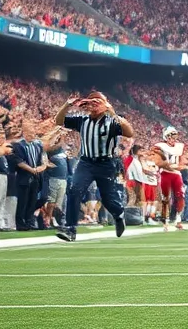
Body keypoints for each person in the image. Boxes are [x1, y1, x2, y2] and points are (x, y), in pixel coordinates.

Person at [53, 92, 131, 242]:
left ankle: (119, 213)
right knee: (74, 190)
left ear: (105, 103)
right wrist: (67, 104)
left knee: (108, 199)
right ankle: (70, 229)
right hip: (86, 162)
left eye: (98, 101)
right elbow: (58, 121)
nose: (94, 104)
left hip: (106, 163)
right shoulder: (82, 120)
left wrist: (111, 110)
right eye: (92, 101)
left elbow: (129, 132)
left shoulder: (112, 121)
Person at [155, 126, 186, 229]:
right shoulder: (160, 147)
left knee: (180, 196)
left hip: (176, 174)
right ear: (166, 137)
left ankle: (178, 219)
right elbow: (158, 162)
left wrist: (179, 166)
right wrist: (167, 165)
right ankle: (165, 221)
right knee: (165, 198)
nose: (173, 139)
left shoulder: (179, 147)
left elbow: (182, 163)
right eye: (171, 136)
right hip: (165, 173)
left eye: (174, 136)